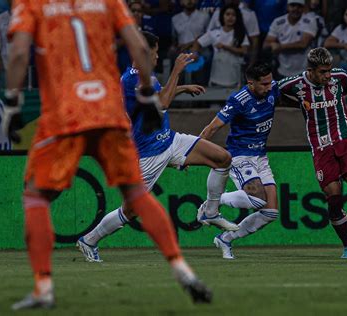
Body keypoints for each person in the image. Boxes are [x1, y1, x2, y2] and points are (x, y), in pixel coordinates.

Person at [4, 0, 211, 310]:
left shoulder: (31, 4)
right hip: (107, 113)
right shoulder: (108, 3)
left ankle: (43, 286)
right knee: (137, 196)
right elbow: (140, 49)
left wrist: (12, 105)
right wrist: (145, 94)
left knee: (36, 197)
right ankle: (182, 271)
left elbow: (19, 53)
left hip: (64, 116)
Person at [77, 32, 238, 263]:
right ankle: (89, 240)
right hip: (149, 153)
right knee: (131, 211)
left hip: (170, 140)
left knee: (222, 158)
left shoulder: (144, 76)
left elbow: (159, 95)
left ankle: (210, 212)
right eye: (155, 51)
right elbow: (162, 103)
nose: (157, 56)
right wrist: (177, 70)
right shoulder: (133, 79)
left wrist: (182, 88)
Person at [278, 47, 347, 259]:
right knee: (334, 199)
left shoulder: (340, 77)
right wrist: (298, 104)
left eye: (329, 70)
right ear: (310, 70)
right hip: (320, 147)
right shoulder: (294, 85)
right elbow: (274, 94)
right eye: (323, 72)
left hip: (345, 140)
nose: (328, 75)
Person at [199, 62, 280, 259]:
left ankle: (225, 239)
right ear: (251, 83)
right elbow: (212, 127)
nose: (269, 87)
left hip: (261, 156)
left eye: (270, 82)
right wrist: (191, 151)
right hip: (240, 154)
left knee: (270, 212)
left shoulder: (273, 88)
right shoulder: (239, 100)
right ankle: (213, 202)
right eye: (264, 84)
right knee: (258, 199)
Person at [192, 4, 250, 87]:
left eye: (233, 15)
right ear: (222, 16)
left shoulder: (240, 33)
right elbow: (197, 43)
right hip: (216, 73)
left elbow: (244, 50)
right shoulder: (214, 33)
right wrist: (194, 54)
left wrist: (225, 47)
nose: (230, 17)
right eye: (227, 14)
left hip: (234, 73)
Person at [263, 0, 317, 79]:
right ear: (287, 7)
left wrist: (279, 47)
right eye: (293, 5)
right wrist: (272, 45)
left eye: (299, 6)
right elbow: (266, 44)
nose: (296, 9)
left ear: (303, 8)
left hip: (304, 72)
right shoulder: (278, 22)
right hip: (282, 70)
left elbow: (303, 44)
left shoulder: (310, 21)